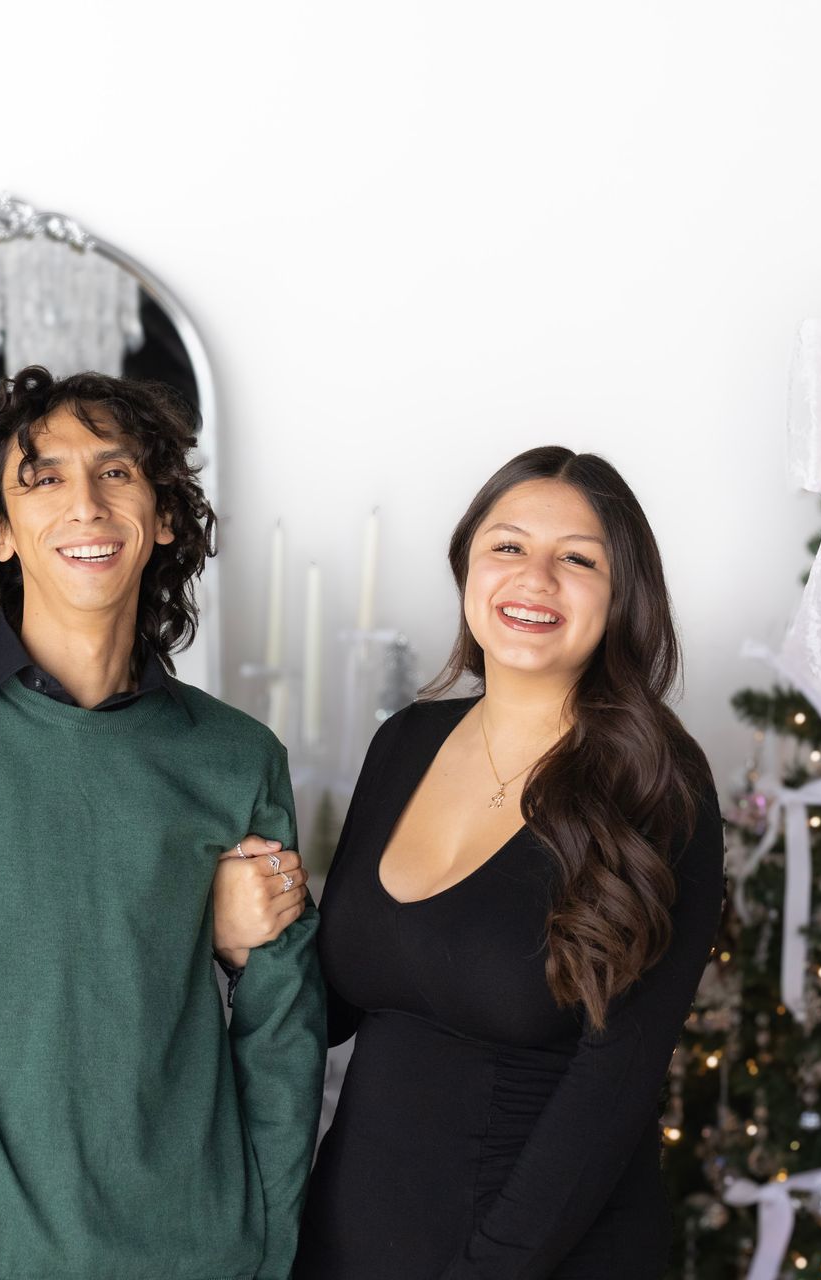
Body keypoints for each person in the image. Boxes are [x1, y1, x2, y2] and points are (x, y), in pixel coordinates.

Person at [0, 367, 326, 1280]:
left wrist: (266, 1252)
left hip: (194, 1256)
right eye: (42, 478)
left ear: (162, 518)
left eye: (117, 473)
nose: (85, 502)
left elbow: (283, 1038)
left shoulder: (237, 757)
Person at [294, 448, 724, 1279]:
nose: (535, 579)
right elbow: (335, 1002)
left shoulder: (660, 785)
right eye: (508, 546)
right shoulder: (405, 742)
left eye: (577, 559)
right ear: (466, 565)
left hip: (545, 1256)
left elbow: (615, 1087)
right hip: (346, 1241)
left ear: (623, 591)